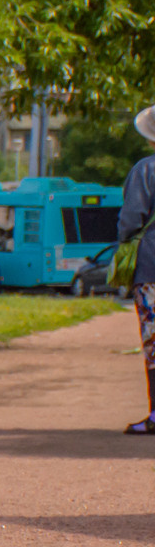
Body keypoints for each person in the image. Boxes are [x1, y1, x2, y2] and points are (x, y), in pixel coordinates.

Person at [119, 104, 155, 434]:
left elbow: (131, 220)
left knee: (154, 341)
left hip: (151, 268)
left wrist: (125, 241)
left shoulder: (146, 170)